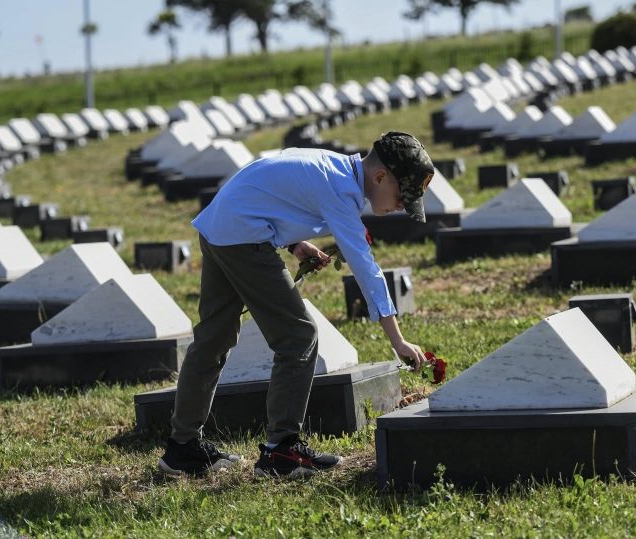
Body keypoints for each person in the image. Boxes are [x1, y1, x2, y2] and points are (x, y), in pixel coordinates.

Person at [159, 130, 434, 479]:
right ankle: (281, 451)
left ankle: (182, 448)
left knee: (214, 337)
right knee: (299, 336)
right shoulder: (341, 191)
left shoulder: (332, 166)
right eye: (400, 197)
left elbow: (274, 191)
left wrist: (294, 243)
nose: (399, 207)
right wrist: (398, 340)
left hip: (221, 226)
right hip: (243, 237)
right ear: (380, 176)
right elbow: (368, 270)